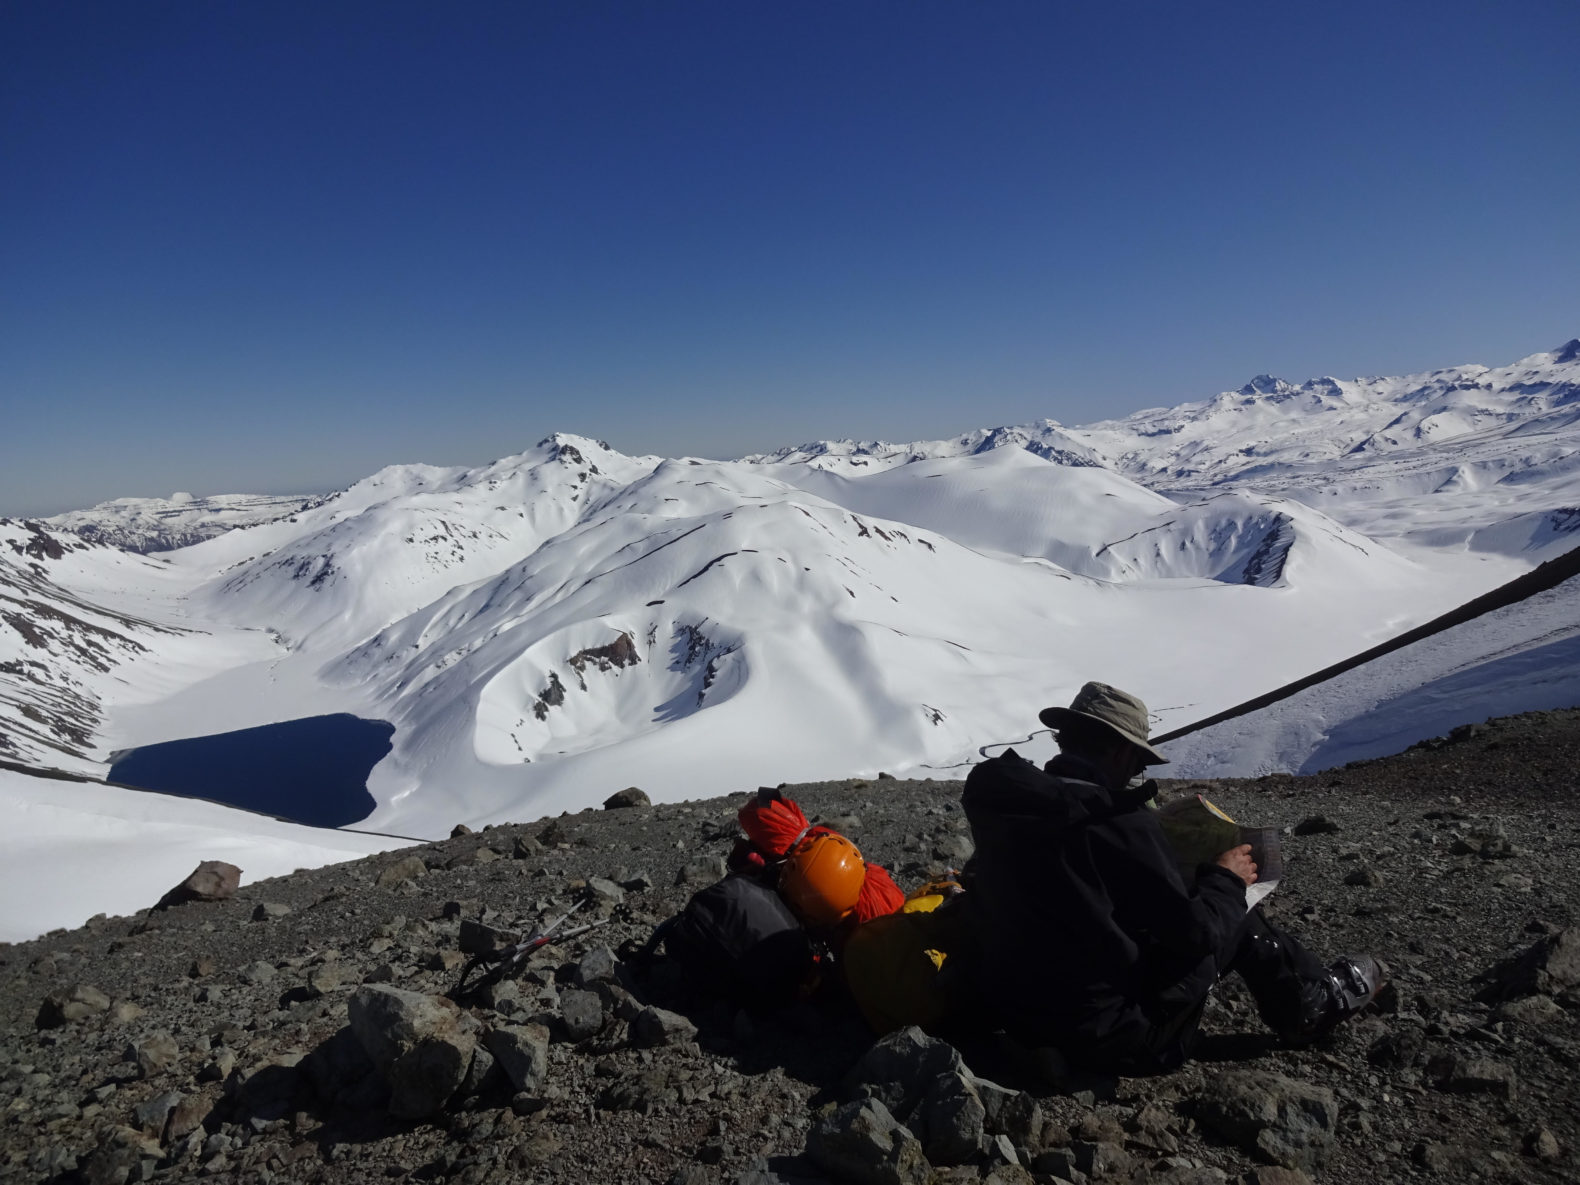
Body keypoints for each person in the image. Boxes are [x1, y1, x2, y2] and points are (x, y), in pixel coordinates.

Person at [961, 681, 1385, 1075]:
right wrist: (1227, 880)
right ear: (1121, 754)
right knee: (1234, 915)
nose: (1134, 774)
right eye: (1138, 763)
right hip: (1108, 1038)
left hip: (1009, 1012)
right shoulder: (1117, 822)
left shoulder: (1005, 801)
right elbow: (1195, 934)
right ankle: (1308, 1007)